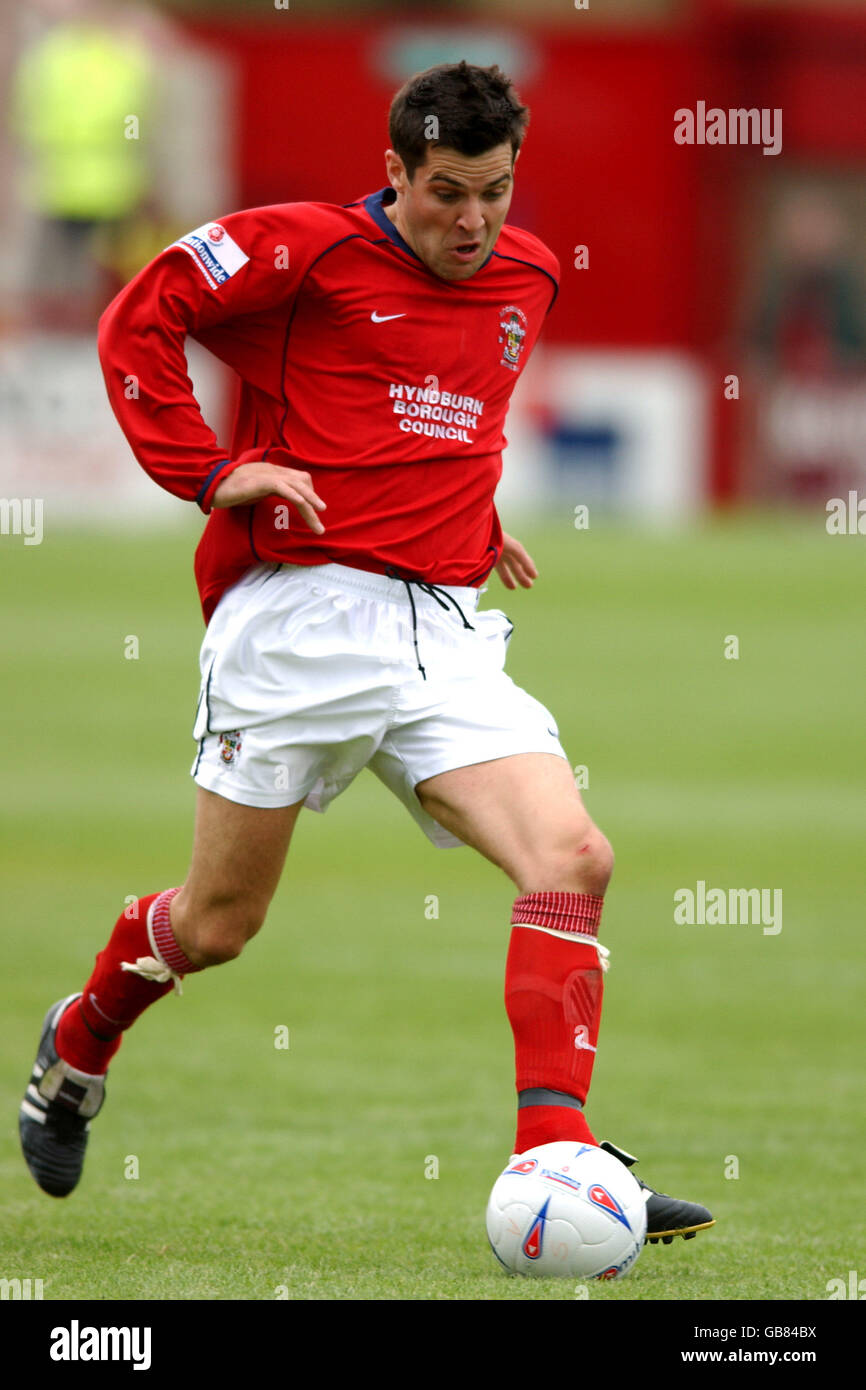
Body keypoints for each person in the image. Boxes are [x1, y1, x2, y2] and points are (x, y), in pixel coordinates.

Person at [19, 61, 713, 1252]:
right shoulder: (302, 252)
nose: (472, 220)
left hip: (439, 632)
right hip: (294, 628)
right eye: (445, 191)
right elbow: (141, 316)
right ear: (393, 172)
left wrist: (471, 521)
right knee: (220, 921)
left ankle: (554, 1154)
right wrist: (205, 469)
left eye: (493, 191)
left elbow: (444, 412)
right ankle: (77, 1045)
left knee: (572, 856)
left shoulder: (528, 277)